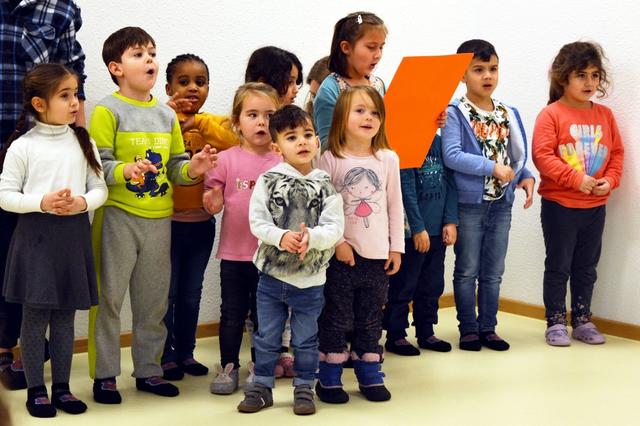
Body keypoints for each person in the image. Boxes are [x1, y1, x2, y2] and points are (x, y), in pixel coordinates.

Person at [87, 26, 217, 404]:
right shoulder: (106, 110)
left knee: (153, 300)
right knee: (109, 299)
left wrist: (194, 168)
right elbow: (99, 165)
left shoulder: (165, 115)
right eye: (138, 54)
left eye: (152, 53)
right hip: (118, 216)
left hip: (160, 218)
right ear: (116, 67)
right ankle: (105, 375)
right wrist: (124, 172)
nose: (150, 60)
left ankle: (148, 369)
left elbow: (175, 168)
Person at [0, 63, 107, 417]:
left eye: (76, 93)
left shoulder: (82, 140)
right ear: (39, 103)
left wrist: (81, 203)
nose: (75, 101)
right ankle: (36, 390)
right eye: (65, 95)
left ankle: (62, 387)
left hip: (72, 238)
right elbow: (5, 196)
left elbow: (99, 189)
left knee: (64, 317)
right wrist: (42, 203)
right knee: (34, 317)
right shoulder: (22, 146)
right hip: (35, 240)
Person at [0, 0, 87, 391]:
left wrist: (78, 141)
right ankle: (9, 350)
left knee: (29, 265)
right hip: (23, 152)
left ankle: (24, 356)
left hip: (36, 146)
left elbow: (75, 73)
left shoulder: (60, 9)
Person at [237, 105, 343, 415]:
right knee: (267, 335)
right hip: (271, 278)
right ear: (276, 146)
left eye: (308, 135)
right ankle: (261, 386)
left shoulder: (326, 183)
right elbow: (257, 221)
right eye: (292, 137)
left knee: (306, 339)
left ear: (317, 139)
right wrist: (281, 237)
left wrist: (313, 238)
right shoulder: (268, 179)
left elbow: (335, 227)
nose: (302, 142)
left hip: (310, 281)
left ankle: (304, 388)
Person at [442, 39, 535, 352]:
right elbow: (452, 155)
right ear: (462, 75)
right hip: (469, 205)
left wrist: (525, 177)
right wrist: (491, 168)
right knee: (467, 270)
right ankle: (468, 328)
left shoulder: (508, 112)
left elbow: (515, 154)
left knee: (493, 271)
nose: (487, 76)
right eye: (478, 70)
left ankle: (488, 328)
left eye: (492, 69)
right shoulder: (456, 111)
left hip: (501, 204)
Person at [532, 41, 623, 346]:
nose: (589, 82)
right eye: (581, 75)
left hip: (595, 206)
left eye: (595, 75)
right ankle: (556, 321)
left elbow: (617, 154)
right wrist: (575, 179)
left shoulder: (606, 116)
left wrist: (610, 181)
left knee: (586, 266)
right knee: (559, 265)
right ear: (563, 77)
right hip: (560, 205)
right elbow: (542, 156)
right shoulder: (551, 115)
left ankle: (582, 319)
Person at [317, 86, 403, 403]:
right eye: (360, 111)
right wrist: (338, 242)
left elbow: (395, 205)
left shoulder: (388, 159)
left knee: (370, 318)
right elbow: (322, 208)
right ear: (341, 117)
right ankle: (328, 378)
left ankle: (369, 374)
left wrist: (396, 248)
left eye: (375, 112)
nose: (369, 117)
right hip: (342, 257)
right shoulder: (330, 160)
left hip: (378, 256)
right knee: (337, 317)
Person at [160, 53, 237, 381]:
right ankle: (164, 354)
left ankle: (186, 353)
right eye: (184, 82)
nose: (193, 88)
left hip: (202, 225)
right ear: (169, 87)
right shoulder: (160, 121)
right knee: (168, 293)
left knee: (192, 292)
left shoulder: (214, 125)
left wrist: (199, 123)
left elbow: (234, 142)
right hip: (167, 225)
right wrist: (173, 119)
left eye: (200, 82)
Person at [204, 83, 281, 395]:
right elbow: (214, 199)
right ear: (237, 122)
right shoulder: (226, 159)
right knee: (232, 314)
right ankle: (228, 366)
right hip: (235, 255)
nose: (261, 122)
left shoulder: (282, 162)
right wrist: (212, 199)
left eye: (269, 115)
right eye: (253, 114)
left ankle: (260, 368)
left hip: (270, 257)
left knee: (265, 316)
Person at [243, 45, 304, 377]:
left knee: (289, 292)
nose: (295, 89)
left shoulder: (294, 123)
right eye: (290, 81)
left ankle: (284, 350)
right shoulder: (249, 129)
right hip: (254, 232)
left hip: (290, 228)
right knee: (261, 296)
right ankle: (264, 354)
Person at [382, 134, 458, 355]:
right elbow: (406, 189)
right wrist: (417, 228)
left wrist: (450, 220)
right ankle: (396, 335)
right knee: (404, 285)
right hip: (413, 233)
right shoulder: (405, 144)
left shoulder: (441, 142)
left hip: (437, 230)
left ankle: (426, 331)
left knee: (432, 285)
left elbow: (451, 182)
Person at [313, 12, 387, 148]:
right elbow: (328, 147)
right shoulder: (330, 90)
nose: (378, 55)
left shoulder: (379, 85)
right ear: (346, 47)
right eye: (371, 47)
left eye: (381, 47)